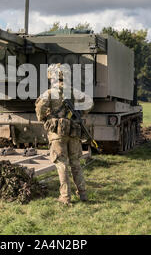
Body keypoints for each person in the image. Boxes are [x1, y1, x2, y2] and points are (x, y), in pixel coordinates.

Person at [35, 63, 94, 205]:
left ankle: (65, 197)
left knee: (61, 163)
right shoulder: (74, 91)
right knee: (75, 163)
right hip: (73, 131)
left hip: (57, 133)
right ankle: (83, 194)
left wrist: (43, 118)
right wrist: (80, 113)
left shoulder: (49, 93)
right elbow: (90, 103)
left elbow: (40, 107)